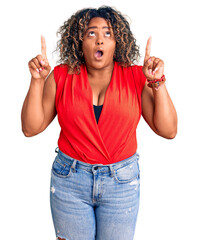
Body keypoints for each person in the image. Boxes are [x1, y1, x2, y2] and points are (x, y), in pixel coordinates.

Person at [21, 6, 177, 240]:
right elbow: (30, 128)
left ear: (118, 42)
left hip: (121, 183)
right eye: (91, 33)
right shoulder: (62, 75)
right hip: (69, 182)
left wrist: (158, 82)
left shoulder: (135, 76)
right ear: (79, 41)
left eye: (108, 33)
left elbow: (169, 130)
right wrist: (37, 81)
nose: (100, 41)